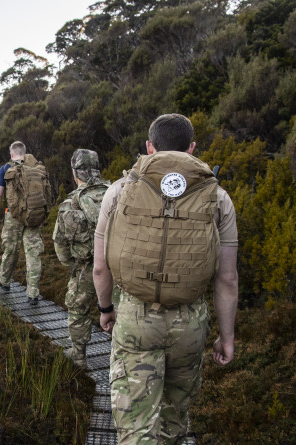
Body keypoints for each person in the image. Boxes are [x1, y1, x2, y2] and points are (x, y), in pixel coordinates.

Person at [92, 114, 239, 444]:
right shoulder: (218, 198)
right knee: (174, 421)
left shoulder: (118, 191)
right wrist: (226, 337)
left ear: (149, 147)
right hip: (189, 324)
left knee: (135, 427)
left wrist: (105, 309)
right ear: (192, 148)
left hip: (135, 317)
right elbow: (227, 279)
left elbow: (100, 267)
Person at [52, 149, 109, 369]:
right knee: (122, 311)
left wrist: (71, 264)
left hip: (86, 266)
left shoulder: (70, 203)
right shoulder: (117, 193)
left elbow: (60, 245)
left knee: (78, 309)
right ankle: (123, 357)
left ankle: (79, 357)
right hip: (118, 266)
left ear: (75, 172)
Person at [0, 141, 45, 305]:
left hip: (14, 215)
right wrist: (41, 216)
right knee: (33, 253)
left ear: (12, 154)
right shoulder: (37, 168)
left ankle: (4, 281)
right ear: (25, 152)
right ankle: (33, 293)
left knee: (11, 249)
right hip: (34, 214)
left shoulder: (5, 168)